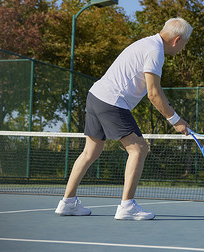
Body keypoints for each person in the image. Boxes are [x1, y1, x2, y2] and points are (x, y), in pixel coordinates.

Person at [55, 18, 193, 220]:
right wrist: (176, 120)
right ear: (177, 40)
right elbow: (153, 94)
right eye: (185, 43)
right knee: (138, 148)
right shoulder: (155, 52)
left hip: (95, 96)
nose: (183, 48)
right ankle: (127, 206)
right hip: (112, 101)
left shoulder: (147, 43)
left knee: (90, 152)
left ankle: (67, 203)